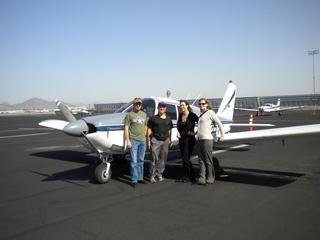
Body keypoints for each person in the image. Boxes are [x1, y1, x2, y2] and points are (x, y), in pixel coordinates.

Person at [196, 98, 225, 186]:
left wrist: (222, 135)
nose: (201, 105)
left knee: (208, 160)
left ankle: (210, 178)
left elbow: (219, 123)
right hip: (199, 139)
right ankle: (202, 178)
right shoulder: (201, 114)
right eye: (200, 104)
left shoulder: (210, 113)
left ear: (207, 104)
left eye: (203, 104)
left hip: (207, 139)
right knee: (201, 160)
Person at [123, 98, 148, 188]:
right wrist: (128, 141)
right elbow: (126, 129)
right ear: (133, 105)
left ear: (141, 105)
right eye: (136, 104)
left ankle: (140, 177)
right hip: (133, 140)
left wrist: (145, 137)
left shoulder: (144, 115)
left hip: (142, 141)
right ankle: (134, 179)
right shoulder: (129, 115)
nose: (138, 105)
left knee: (141, 160)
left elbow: (146, 126)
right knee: (133, 161)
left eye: (139, 104)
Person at [147, 102, 173, 183]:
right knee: (154, 158)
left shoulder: (168, 118)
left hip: (165, 139)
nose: (162, 109)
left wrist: (170, 139)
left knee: (163, 158)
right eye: (160, 107)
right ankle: (152, 175)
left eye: (163, 107)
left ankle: (159, 174)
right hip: (155, 139)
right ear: (158, 108)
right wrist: (148, 140)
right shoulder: (153, 118)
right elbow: (149, 129)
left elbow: (169, 130)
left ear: (165, 108)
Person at [176, 100, 198, 184]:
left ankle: (192, 176)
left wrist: (195, 133)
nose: (182, 107)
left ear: (187, 106)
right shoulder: (181, 115)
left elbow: (202, 123)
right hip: (181, 140)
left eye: (183, 105)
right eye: (180, 105)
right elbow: (179, 126)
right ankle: (185, 176)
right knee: (184, 159)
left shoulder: (192, 115)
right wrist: (178, 132)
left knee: (186, 158)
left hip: (189, 140)